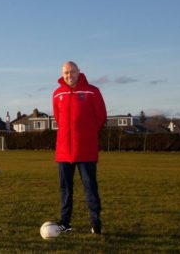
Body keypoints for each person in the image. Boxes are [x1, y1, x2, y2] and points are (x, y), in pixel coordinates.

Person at [52, 61, 107, 234]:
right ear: (63, 74)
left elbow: (101, 117)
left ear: (79, 72)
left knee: (90, 188)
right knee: (65, 190)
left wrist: (87, 134)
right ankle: (65, 223)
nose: (69, 75)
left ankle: (95, 224)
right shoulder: (57, 94)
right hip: (64, 151)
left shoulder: (92, 91)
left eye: (72, 72)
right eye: (66, 72)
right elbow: (59, 119)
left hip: (86, 150)